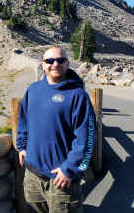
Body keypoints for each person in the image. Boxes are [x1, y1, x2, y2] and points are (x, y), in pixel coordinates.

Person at [16, 46, 96, 213]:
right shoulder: (33, 90)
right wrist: (22, 146)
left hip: (62, 180)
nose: (55, 64)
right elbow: (23, 120)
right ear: (43, 65)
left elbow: (87, 139)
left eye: (60, 60)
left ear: (67, 64)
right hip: (32, 175)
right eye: (50, 61)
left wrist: (70, 170)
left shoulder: (78, 95)